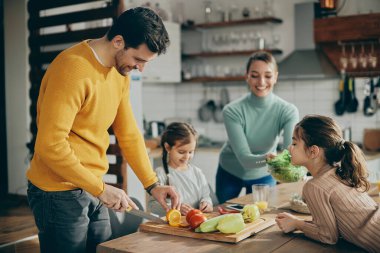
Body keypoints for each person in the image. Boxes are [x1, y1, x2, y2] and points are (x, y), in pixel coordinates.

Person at [26, 7, 180, 253]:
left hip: (93, 186)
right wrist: (100, 189)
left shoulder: (120, 74)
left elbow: (128, 132)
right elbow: (50, 145)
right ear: (118, 41)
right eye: (139, 60)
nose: (140, 68)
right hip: (57, 193)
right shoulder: (72, 69)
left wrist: (152, 185)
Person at [276, 115, 380, 252]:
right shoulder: (340, 172)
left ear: (313, 151)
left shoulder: (314, 186)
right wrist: (298, 222)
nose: (290, 148)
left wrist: (297, 224)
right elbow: (333, 227)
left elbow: (328, 236)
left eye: (295, 144)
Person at [216, 51, 299, 203]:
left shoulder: (287, 110)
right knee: (223, 216)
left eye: (267, 76)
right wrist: (269, 158)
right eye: (255, 75)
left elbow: (290, 152)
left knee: (262, 216)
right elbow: (245, 159)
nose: (261, 82)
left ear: (275, 77)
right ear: (247, 76)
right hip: (230, 170)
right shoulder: (232, 110)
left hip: (264, 173)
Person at [148, 122, 213, 217]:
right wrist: (175, 208)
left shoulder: (197, 173)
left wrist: (207, 203)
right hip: (172, 227)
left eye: (191, 152)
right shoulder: (160, 173)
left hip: (194, 224)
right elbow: (152, 205)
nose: (187, 156)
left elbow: (206, 196)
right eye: (181, 152)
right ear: (167, 147)